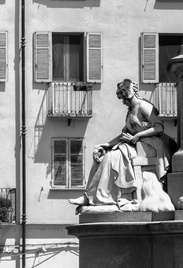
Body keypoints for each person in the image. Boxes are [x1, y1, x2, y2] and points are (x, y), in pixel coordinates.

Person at [69, 79, 176, 211]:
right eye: (121, 92)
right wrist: (106, 145)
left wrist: (137, 136)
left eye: (126, 89)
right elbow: (123, 135)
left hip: (151, 146)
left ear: (134, 89)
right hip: (137, 145)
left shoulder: (143, 105)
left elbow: (159, 128)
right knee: (104, 155)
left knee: (113, 157)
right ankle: (92, 196)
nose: (124, 94)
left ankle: (97, 196)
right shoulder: (130, 112)